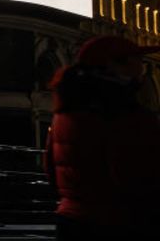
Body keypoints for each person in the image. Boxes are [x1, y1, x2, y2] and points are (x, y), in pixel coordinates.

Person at [46, 35, 160, 240]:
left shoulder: (62, 113)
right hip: (118, 224)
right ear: (115, 65)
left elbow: (51, 173)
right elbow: (139, 178)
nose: (142, 68)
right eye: (137, 61)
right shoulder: (125, 113)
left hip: (69, 221)